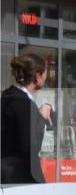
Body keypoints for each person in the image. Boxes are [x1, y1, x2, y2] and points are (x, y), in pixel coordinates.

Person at [1, 54, 53, 184]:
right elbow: (30, 149)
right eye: (45, 73)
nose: (46, 77)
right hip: (19, 179)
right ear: (38, 76)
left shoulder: (8, 97)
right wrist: (41, 117)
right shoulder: (23, 104)